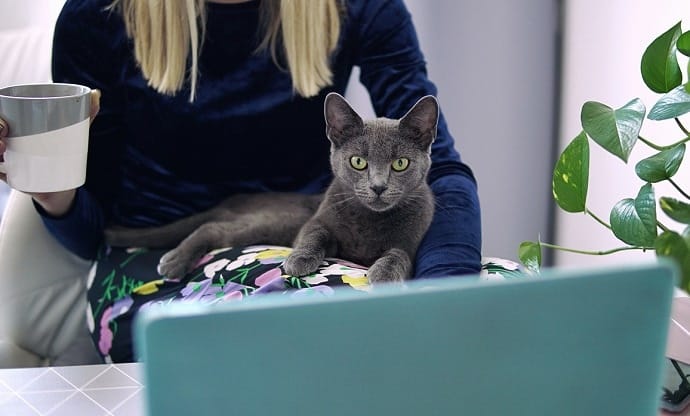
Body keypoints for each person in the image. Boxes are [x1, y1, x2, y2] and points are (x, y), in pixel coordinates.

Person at [0, 0, 481, 362]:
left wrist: (446, 307)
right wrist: (50, 188)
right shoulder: (98, 15)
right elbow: (91, 232)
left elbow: (440, 169)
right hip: (153, 268)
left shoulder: (359, 7)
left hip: (308, 244)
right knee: (324, 334)